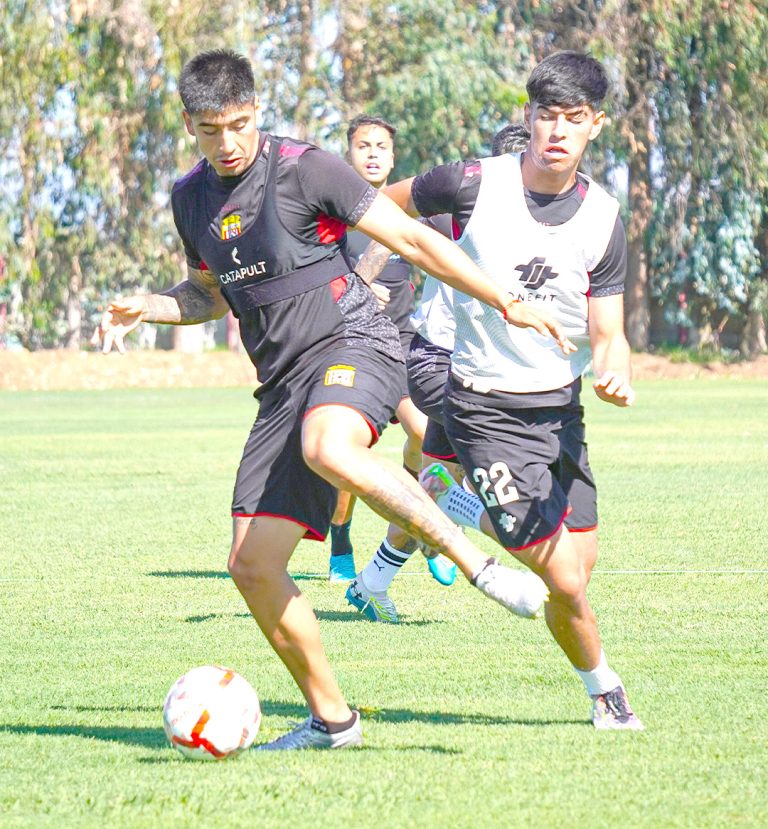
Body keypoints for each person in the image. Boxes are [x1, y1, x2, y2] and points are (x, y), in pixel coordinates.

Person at [93, 49, 572, 750]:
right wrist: (149, 306)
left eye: (237, 125)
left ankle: (479, 565)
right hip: (282, 385)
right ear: (190, 125)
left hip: (356, 342)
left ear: (255, 112)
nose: (226, 143)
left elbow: (410, 237)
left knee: (328, 445)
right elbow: (207, 294)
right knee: (252, 565)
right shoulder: (189, 197)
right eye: (209, 130)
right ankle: (333, 721)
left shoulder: (305, 167)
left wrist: (505, 300)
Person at [383, 51, 644, 730]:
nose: (558, 130)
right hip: (484, 409)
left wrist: (614, 367)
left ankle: (452, 497)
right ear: (527, 117)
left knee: (576, 573)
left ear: (596, 125)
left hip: (561, 415)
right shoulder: (471, 182)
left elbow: (609, 330)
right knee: (565, 578)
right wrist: (353, 273)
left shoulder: (603, 218)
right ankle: (610, 693)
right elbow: (374, 206)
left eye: (574, 118)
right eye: (547, 115)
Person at [347, 123, 532, 618]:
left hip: (483, 368)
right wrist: (359, 284)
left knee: (436, 480)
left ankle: (371, 582)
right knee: (490, 480)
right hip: (442, 364)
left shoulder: (540, 221)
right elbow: (388, 220)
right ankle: (463, 518)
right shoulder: (462, 208)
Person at [327, 115, 434, 587]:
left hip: (404, 345)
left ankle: (417, 526)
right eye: (363, 145)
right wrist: (357, 289)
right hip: (353, 344)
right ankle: (340, 541)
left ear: (393, 157)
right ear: (349, 153)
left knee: (425, 434)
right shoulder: (332, 218)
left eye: (381, 147)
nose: (372, 153)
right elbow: (316, 279)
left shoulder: (408, 215)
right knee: (351, 453)